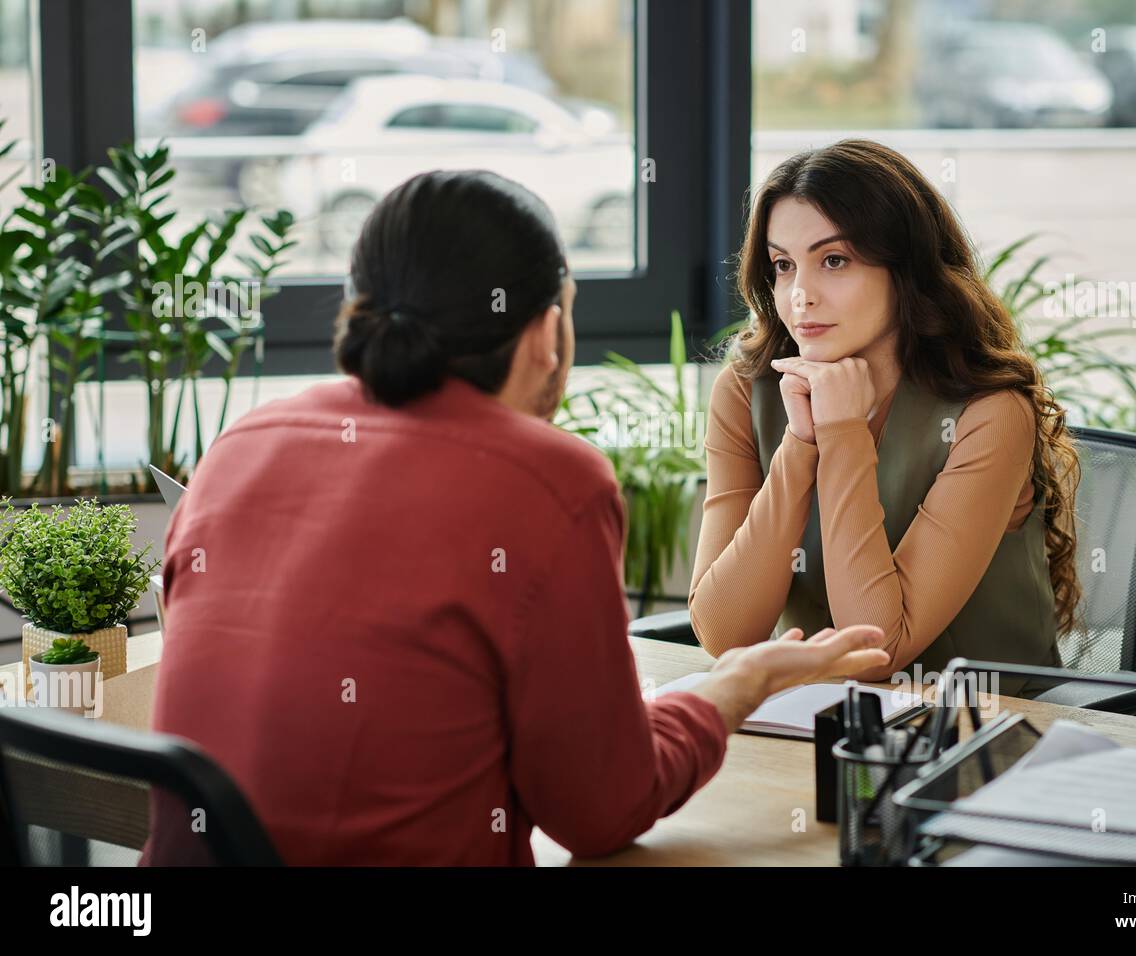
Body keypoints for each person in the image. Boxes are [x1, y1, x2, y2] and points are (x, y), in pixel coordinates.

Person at [145, 169, 885, 866]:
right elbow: (599, 813)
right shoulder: (548, 480)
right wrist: (738, 684)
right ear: (546, 333)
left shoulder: (239, 445)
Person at [689, 139, 1081, 697]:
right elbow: (725, 633)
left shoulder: (989, 413)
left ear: (907, 269)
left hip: (983, 737)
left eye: (834, 260)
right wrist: (801, 445)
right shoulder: (747, 392)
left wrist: (843, 435)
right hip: (817, 722)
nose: (801, 295)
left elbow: (876, 651)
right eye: (783, 265)